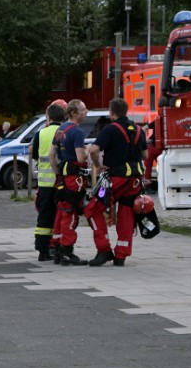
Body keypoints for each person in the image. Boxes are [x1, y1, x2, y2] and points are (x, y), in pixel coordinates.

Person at [85, 98, 148, 266]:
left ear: (112, 112)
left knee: (92, 210)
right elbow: (145, 156)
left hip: (114, 180)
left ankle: (104, 249)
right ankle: (121, 255)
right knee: (126, 214)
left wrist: (98, 165)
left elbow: (94, 149)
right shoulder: (139, 130)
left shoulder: (110, 129)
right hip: (134, 180)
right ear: (126, 111)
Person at [49, 99, 90, 266]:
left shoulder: (60, 129)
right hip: (74, 178)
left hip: (63, 177)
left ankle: (58, 248)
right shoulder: (77, 132)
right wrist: (89, 149)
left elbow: (52, 155)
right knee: (70, 213)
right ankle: (67, 250)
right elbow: (81, 157)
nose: (86, 112)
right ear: (74, 112)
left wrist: (58, 172)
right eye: (83, 109)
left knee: (61, 211)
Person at [31, 102, 67, 261]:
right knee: (61, 215)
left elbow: (35, 156)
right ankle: (58, 247)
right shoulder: (65, 133)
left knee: (44, 217)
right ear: (63, 117)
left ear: (49, 117)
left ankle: (42, 250)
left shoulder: (40, 133)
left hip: (44, 184)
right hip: (61, 182)